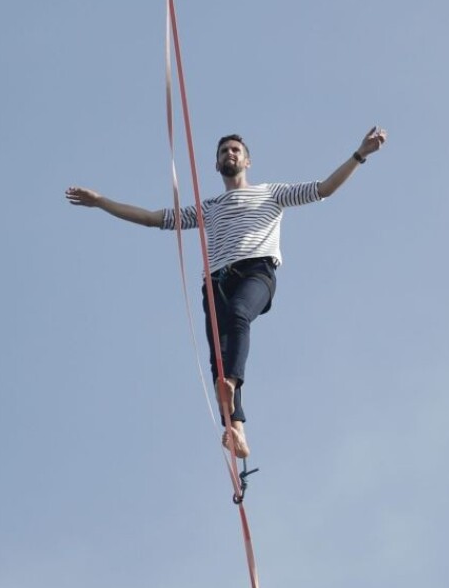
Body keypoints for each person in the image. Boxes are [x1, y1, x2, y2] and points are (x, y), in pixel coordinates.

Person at [66, 126, 387, 458]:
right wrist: (101, 202)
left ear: (247, 161)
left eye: (235, 150)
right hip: (216, 283)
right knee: (218, 359)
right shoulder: (208, 208)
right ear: (217, 165)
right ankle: (237, 432)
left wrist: (360, 154)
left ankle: (232, 383)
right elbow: (152, 218)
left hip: (256, 272)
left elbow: (324, 189)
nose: (229, 154)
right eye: (223, 152)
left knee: (238, 316)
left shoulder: (272, 193)